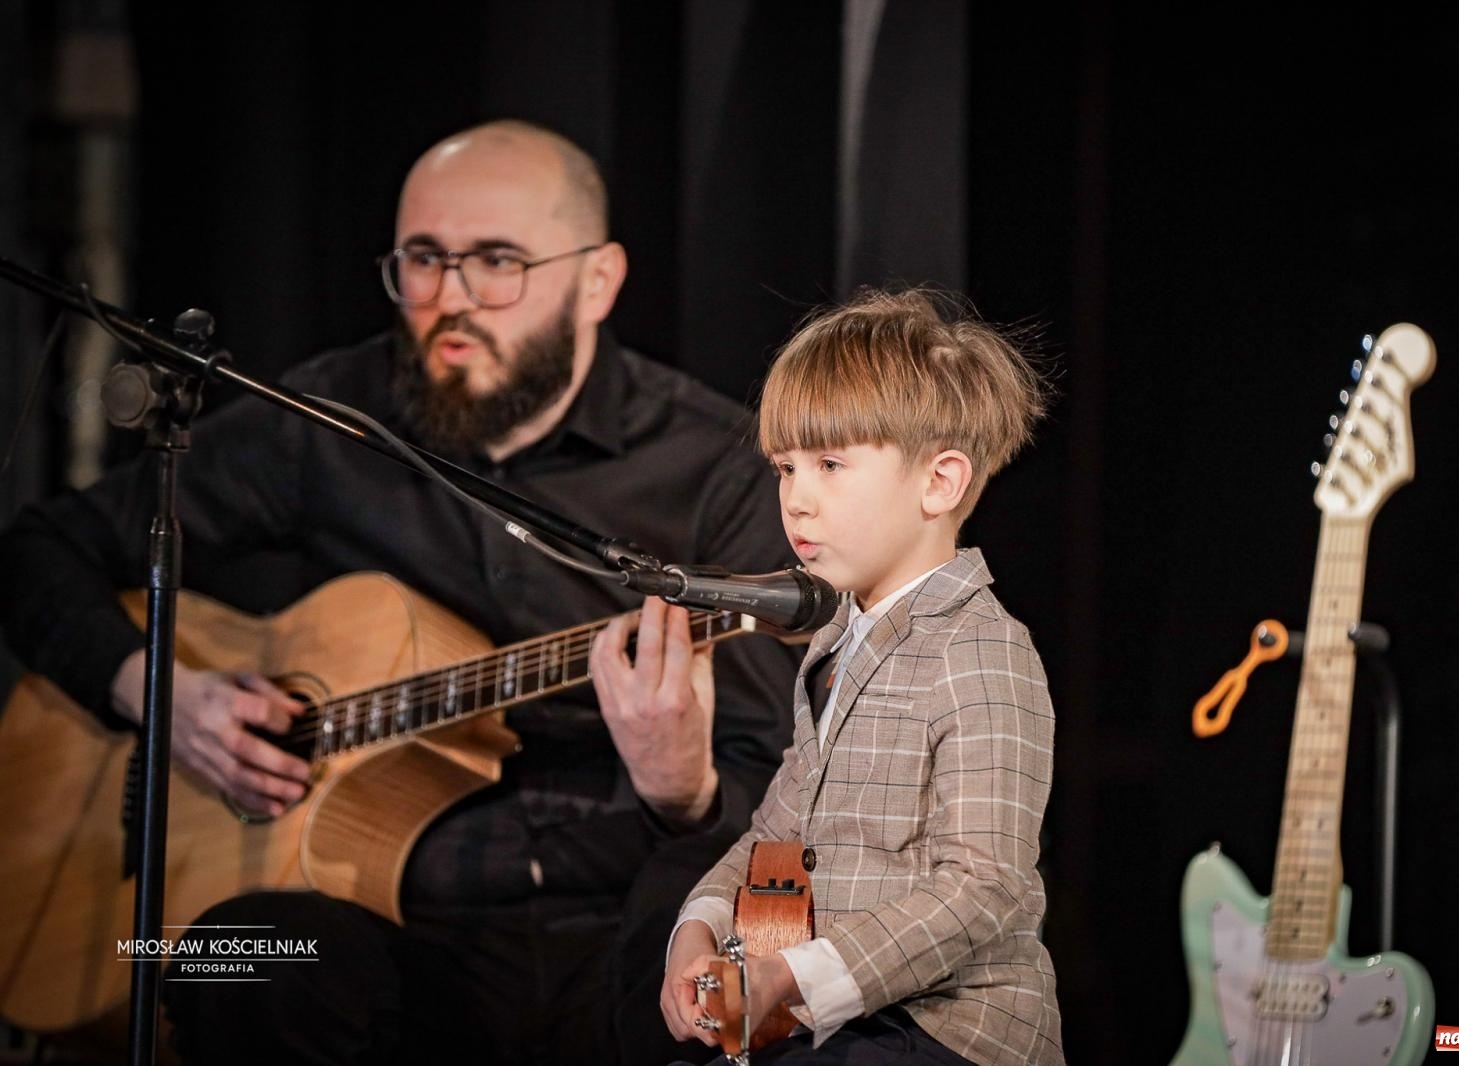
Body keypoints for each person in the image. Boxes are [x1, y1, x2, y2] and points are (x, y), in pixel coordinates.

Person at [0, 120, 801, 1064]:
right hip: (382, 923)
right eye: (423, 261)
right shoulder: (332, 420)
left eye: (496, 262)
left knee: (726, 968)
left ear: (598, 280)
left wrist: (687, 792)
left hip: (614, 921)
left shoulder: (722, 469)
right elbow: (34, 551)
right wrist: (161, 698)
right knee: (228, 961)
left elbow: (783, 799)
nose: (449, 301)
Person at [660, 288, 1066, 1065]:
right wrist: (699, 929)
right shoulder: (836, 643)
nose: (796, 499)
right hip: (838, 1027)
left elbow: (985, 886)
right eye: (785, 467)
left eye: (830, 464)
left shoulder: (980, 649)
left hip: (945, 1033)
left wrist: (794, 974)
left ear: (940, 484)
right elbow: (777, 835)